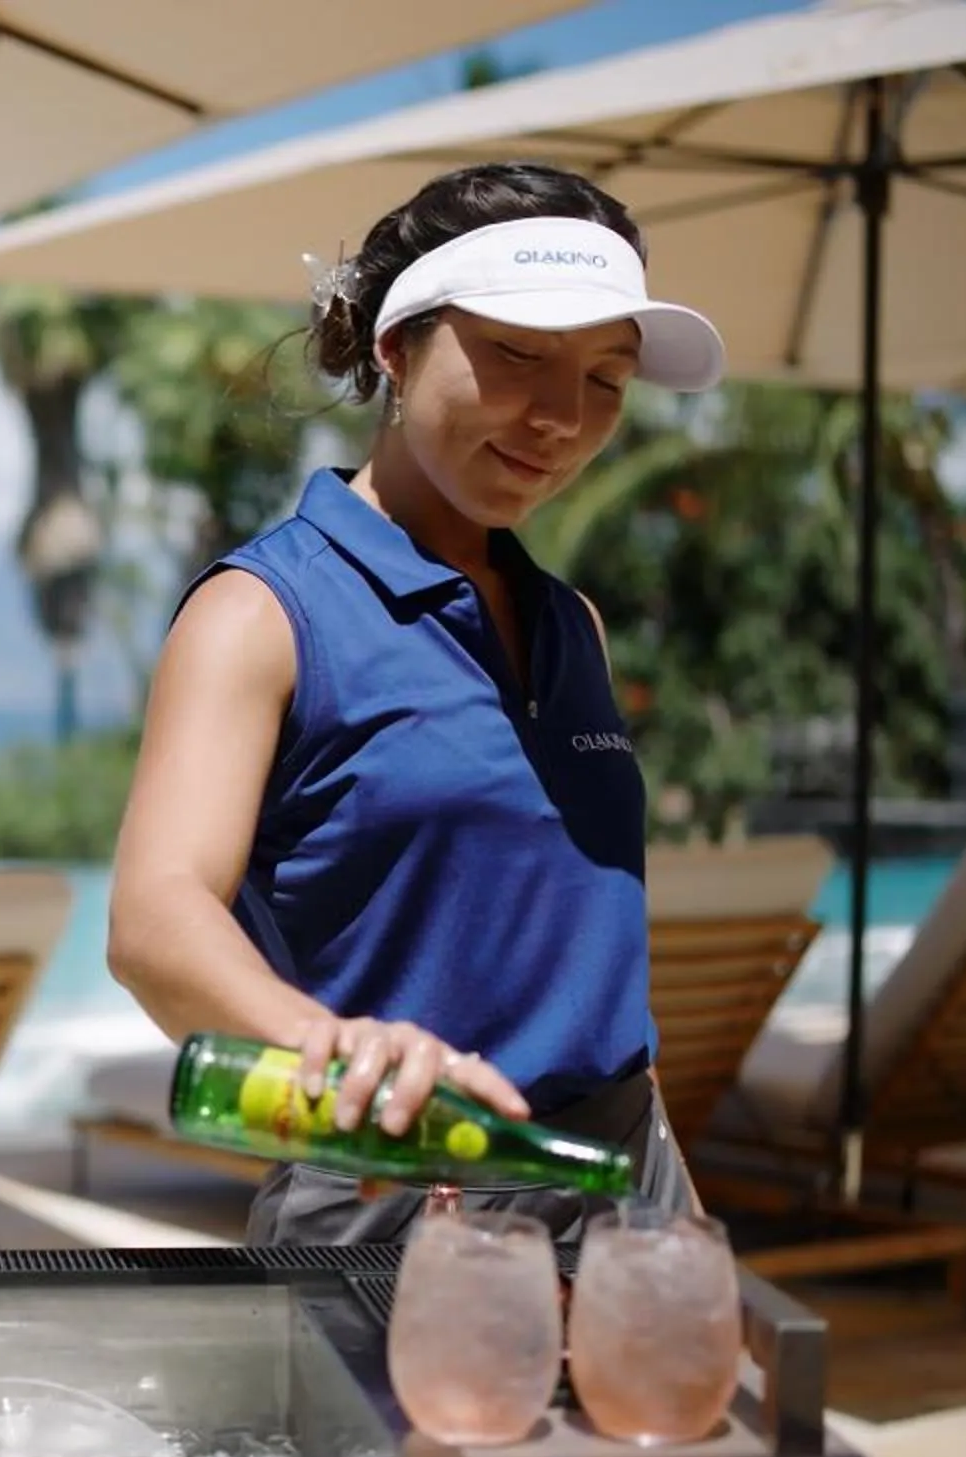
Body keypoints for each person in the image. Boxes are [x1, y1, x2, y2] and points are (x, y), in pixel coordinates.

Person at [106, 162, 724, 1244]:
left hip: (629, 1192)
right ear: (395, 347)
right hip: (393, 1195)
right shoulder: (265, 613)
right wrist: (339, 1051)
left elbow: (588, 946)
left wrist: (682, 1218)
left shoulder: (572, 622)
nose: (562, 418)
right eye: (518, 356)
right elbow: (155, 919)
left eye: (607, 379)